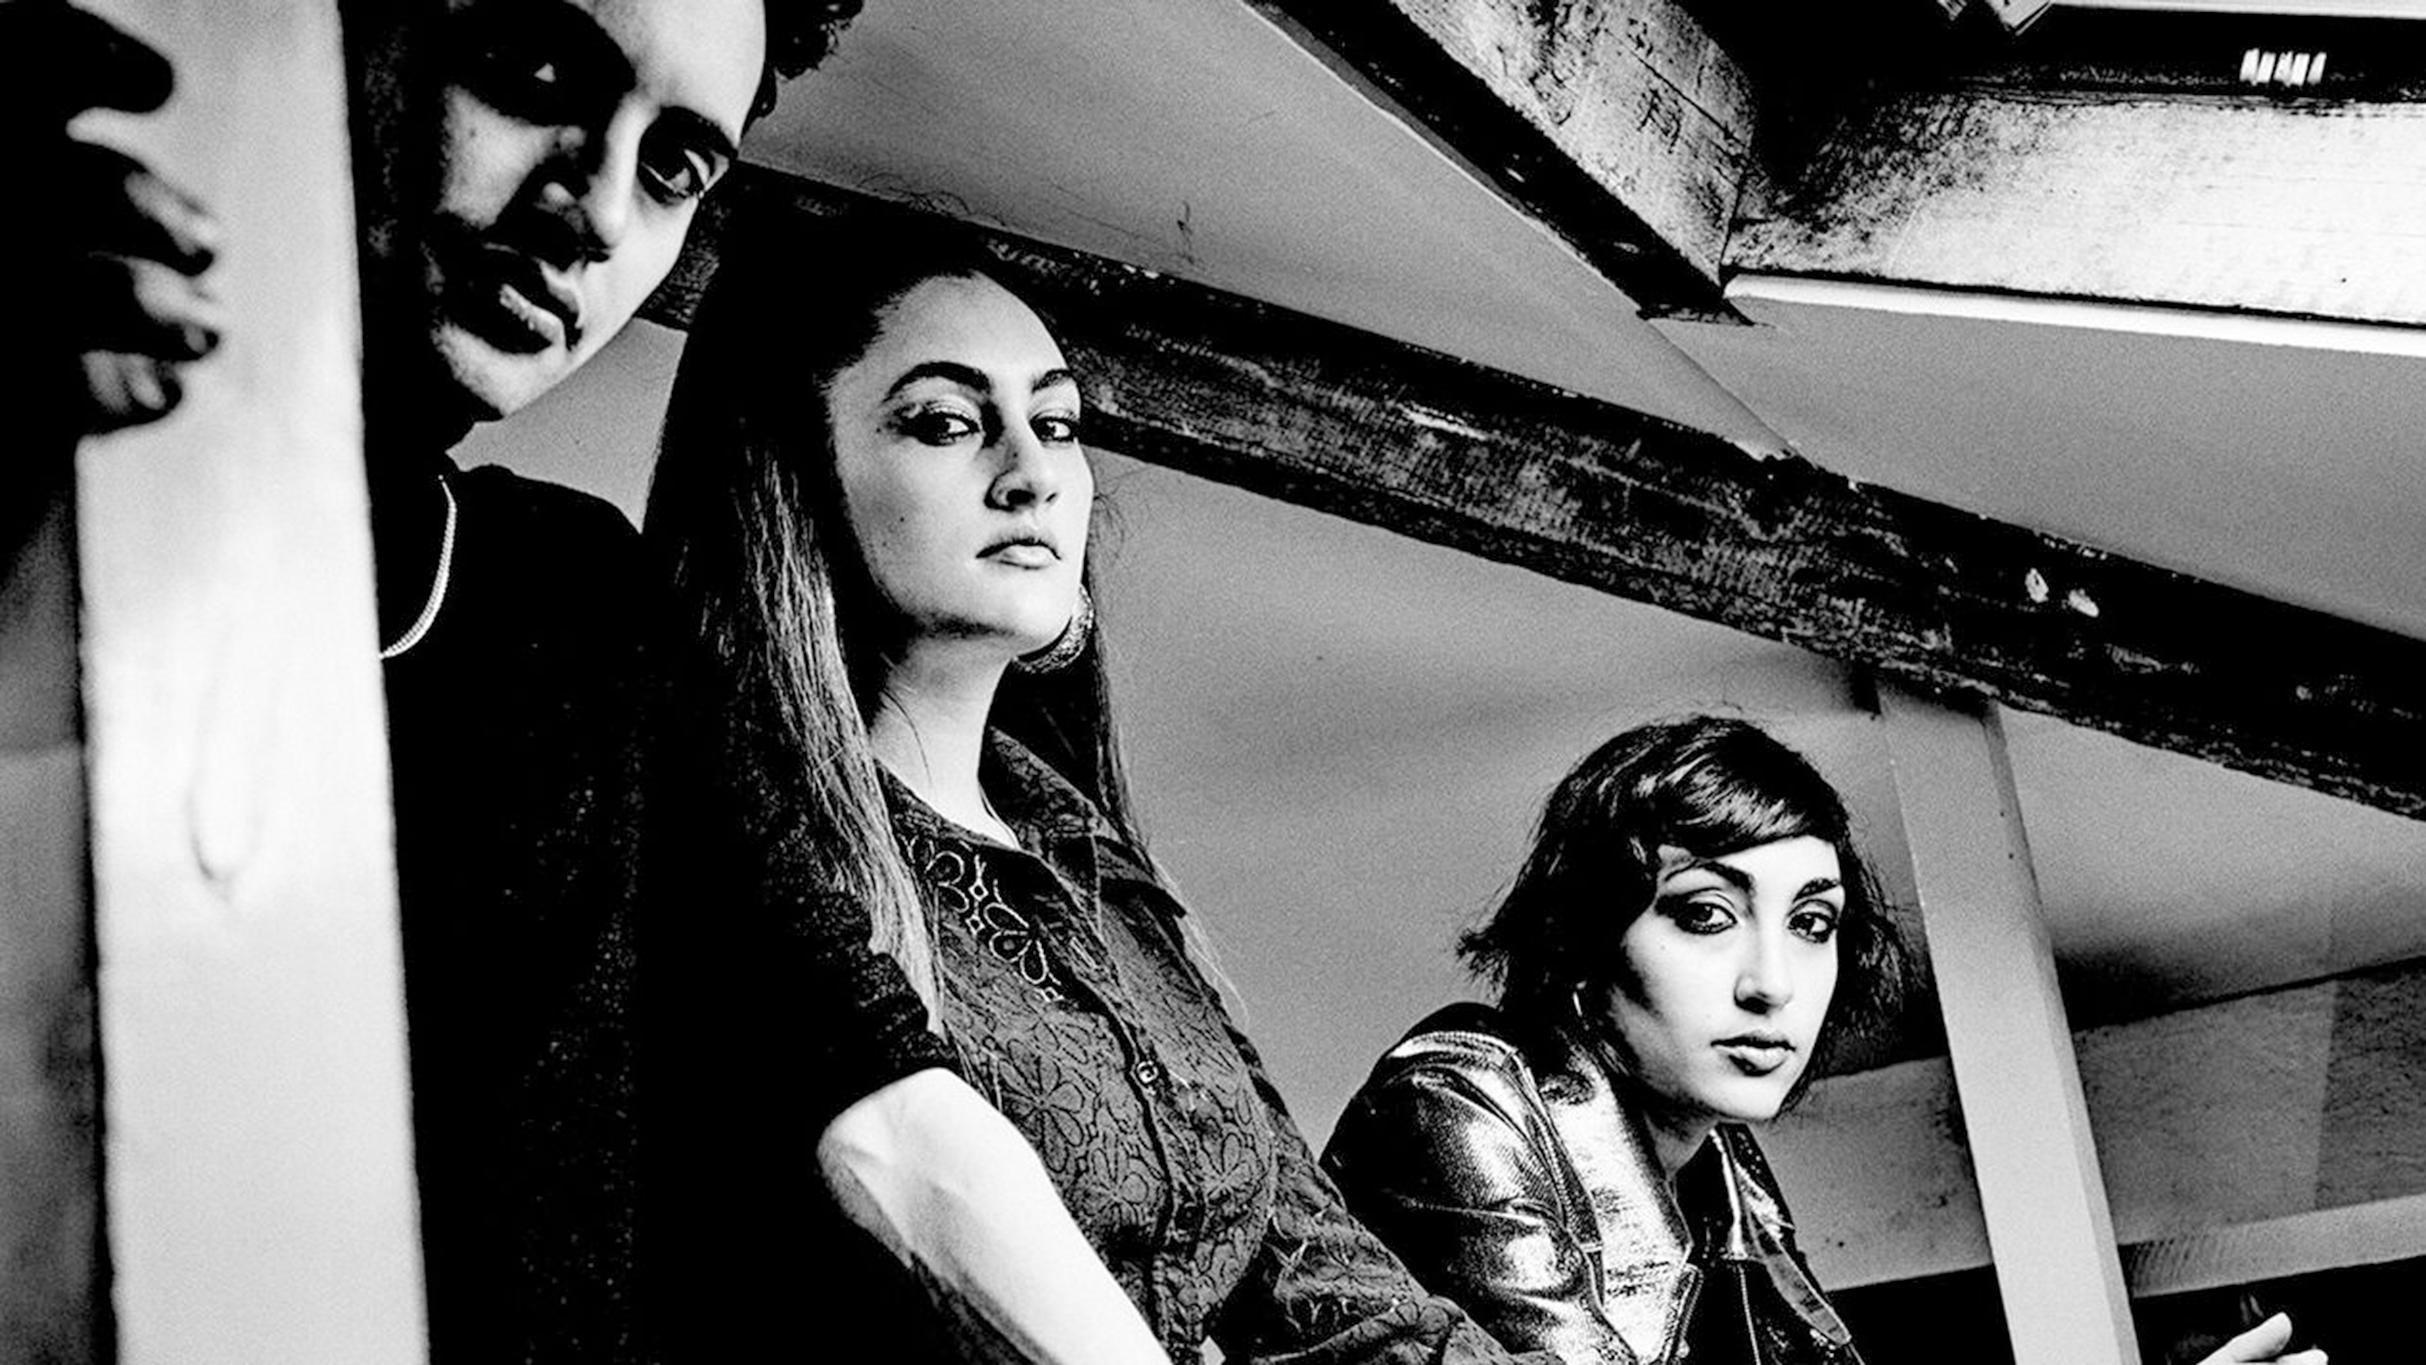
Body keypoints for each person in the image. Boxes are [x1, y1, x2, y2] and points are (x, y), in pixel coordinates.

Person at [26, 4, 969, 1361]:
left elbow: (860, 1070)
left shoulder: (579, 600)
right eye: (536, 72)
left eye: (673, 167)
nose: (596, 212)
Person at [644, 210, 1550, 1364]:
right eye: (945, 423)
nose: (1031, 475)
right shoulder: (731, 850)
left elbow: (1329, 1286)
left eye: (1057, 423)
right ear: (792, 473)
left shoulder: (1101, 869)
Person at [1320, 717, 2324, 1365]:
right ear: (1582, 943)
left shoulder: (1728, 1178)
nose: (1771, 981)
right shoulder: (1457, 1102)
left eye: (1811, 923)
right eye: (1706, 915)